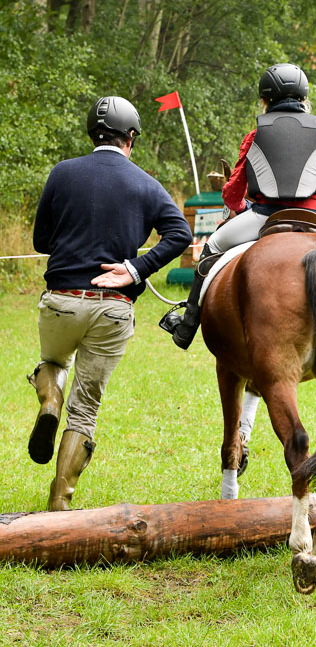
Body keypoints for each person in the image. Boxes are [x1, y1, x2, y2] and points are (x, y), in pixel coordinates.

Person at [29, 95, 193, 511]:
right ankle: (59, 504)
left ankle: (50, 400)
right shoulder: (145, 183)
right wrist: (136, 269)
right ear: (130, 137)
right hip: (113, 310)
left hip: (62, 302)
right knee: (85, 410)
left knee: (53, 363)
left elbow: (41, 240)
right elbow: (180, 234)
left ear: (93, 133)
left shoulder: (62, 172)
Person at [160, 62, 316, 350]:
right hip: (315, 219)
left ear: (265, 100)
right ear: (304, 98)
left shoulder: (255, 136)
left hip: (266, 217)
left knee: (212, 246)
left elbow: (232, 195)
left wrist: (243, 205)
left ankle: (186, 326)